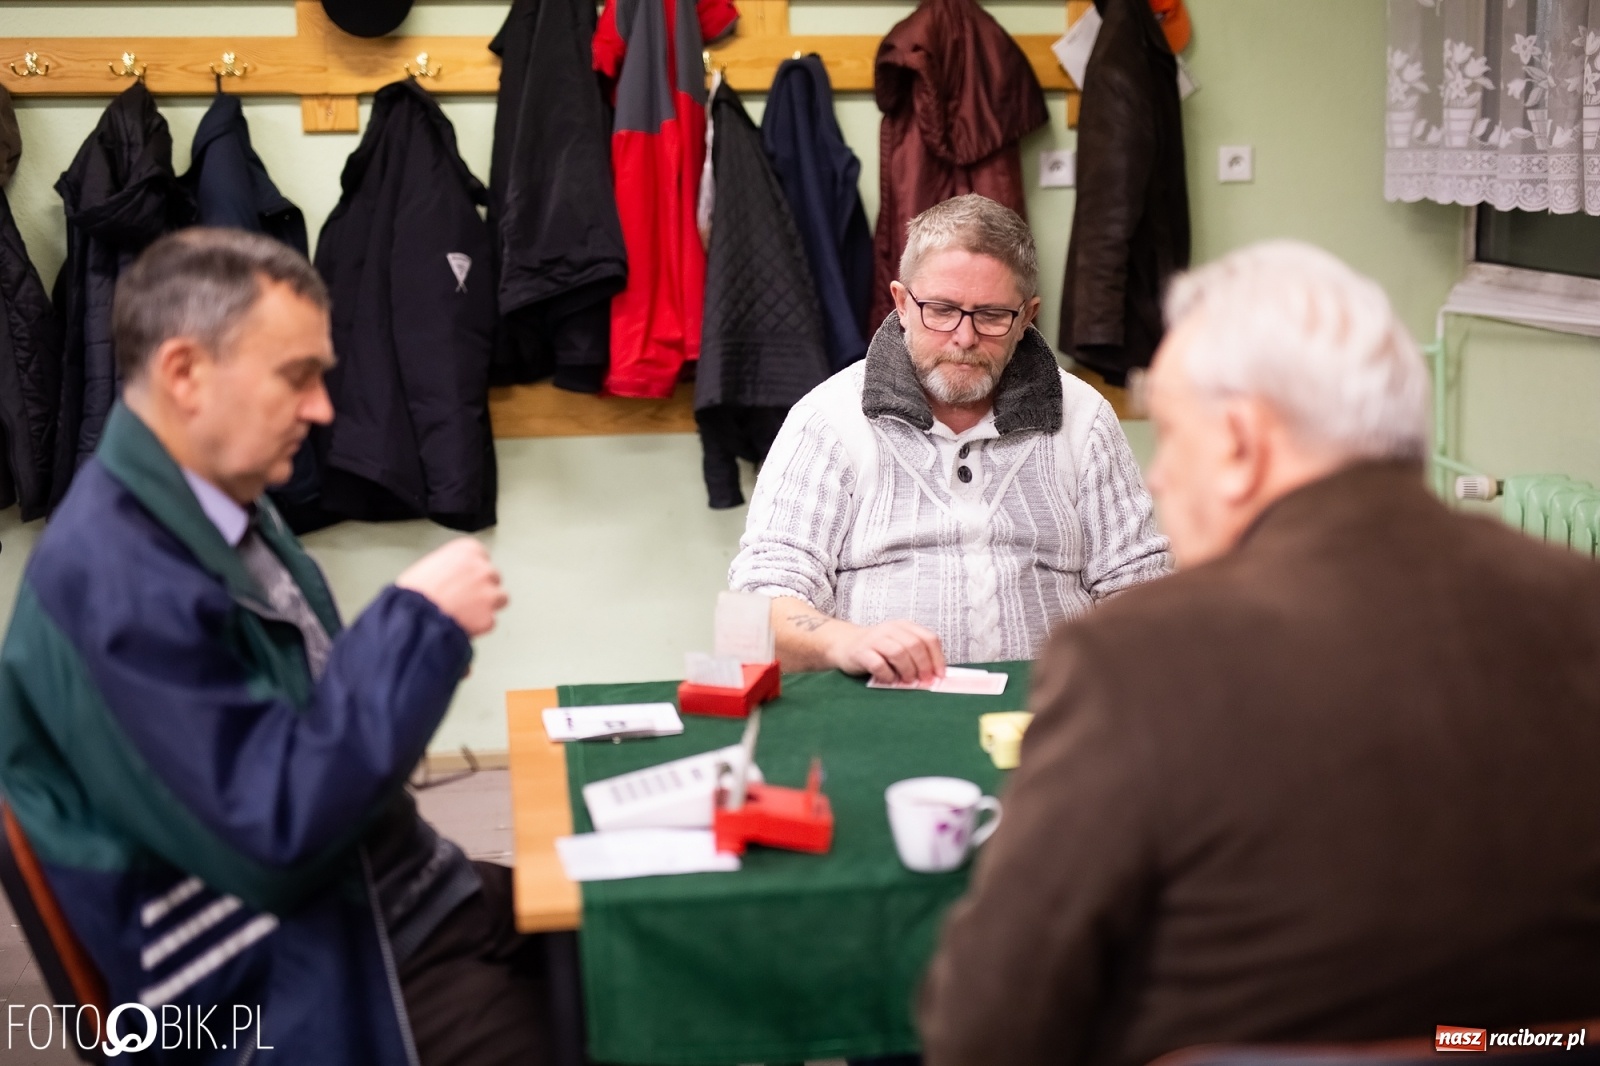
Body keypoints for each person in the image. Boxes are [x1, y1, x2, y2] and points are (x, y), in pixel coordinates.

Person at [918, 241, 1600, 1066]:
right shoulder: (1580, 604)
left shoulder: (1133, 660)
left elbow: (989, 1029)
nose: (1160, 479)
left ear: (1240, 444)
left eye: (1171, 438)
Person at [0, 229, 579, 1065]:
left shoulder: (221, 504)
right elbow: (273, 834)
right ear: (184, 374)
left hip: (388, 898)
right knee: (613, 1012)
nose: (321, 409)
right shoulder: (114, 578)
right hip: (288, 978)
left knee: (636, 939)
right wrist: (414, 622)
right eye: (295, 377)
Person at [729, 194, 1170, 683]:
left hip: (1054, 713)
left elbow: (1139, 585)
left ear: (1026, 318)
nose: (964, 337)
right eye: (940, 310)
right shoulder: (827, 418)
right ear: (901, 303)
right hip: (877, 714)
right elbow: (758, 604)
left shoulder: (1084, 418)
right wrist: (849, 642)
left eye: (991, 316)